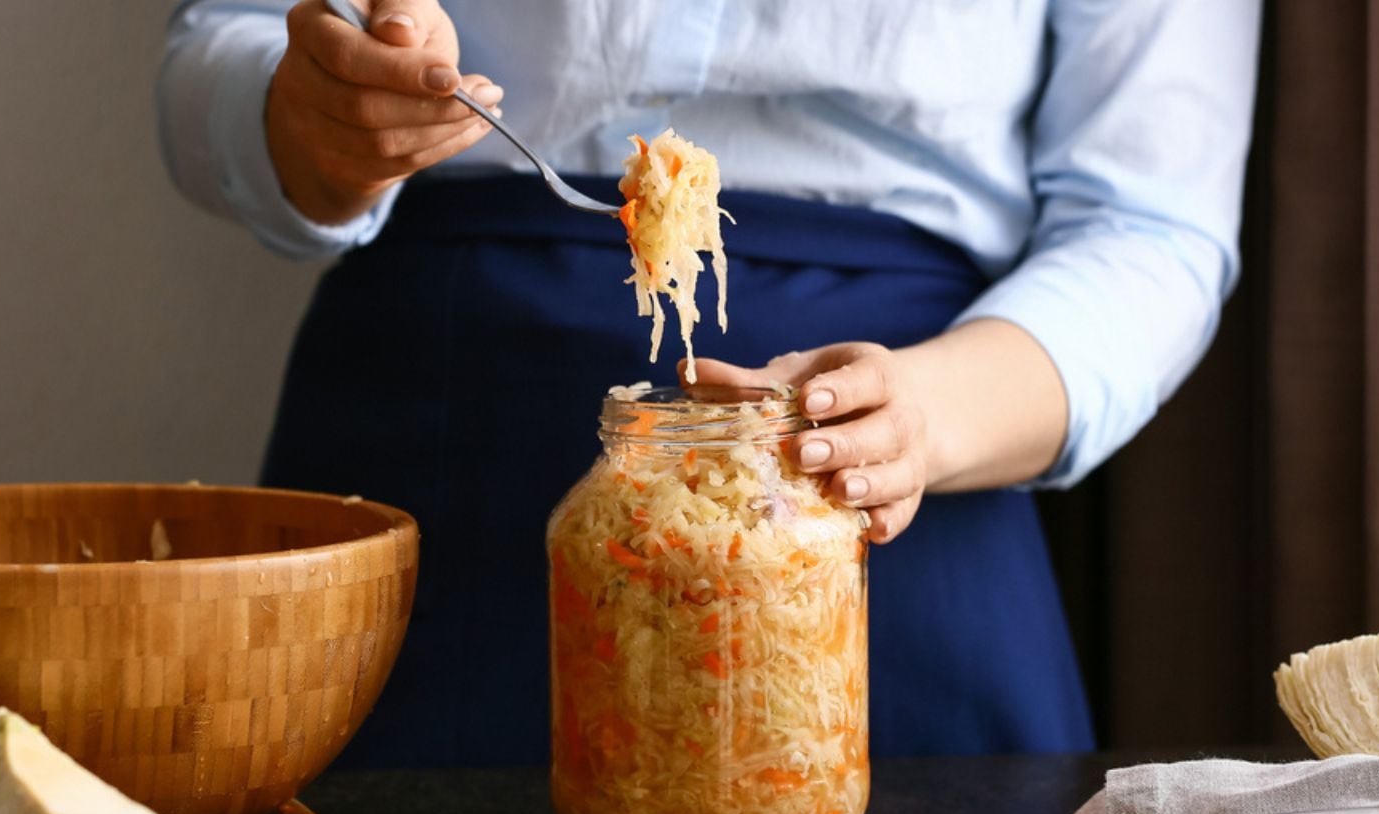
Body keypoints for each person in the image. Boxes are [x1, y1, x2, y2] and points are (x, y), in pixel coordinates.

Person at [158, 0, 1260, 766]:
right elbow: (226, 40)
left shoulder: (917, 419)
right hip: (443, 405)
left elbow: (1149, 224)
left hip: (901, 438)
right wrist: (307, 119)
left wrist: (928, 414)